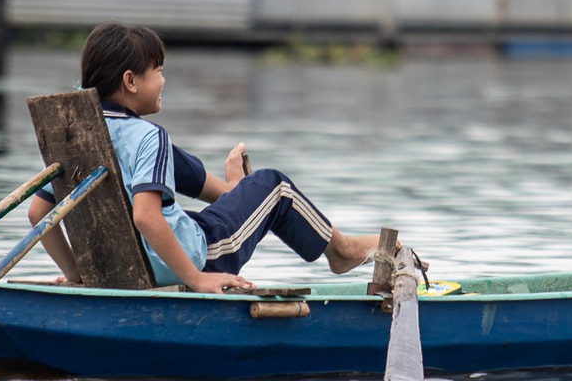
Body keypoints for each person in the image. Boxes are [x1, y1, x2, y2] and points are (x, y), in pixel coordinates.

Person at [29, 22, 382, 292]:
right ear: (131, 82)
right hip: (204, 256)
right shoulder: (151, 138)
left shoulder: (78, 137)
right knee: (275, 185)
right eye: (158, 71)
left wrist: (80, 275)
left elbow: (38, 212)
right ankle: (342, 250)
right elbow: (147, 218)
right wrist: (197, 279)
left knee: (225, 197)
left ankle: (337, 245)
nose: (164, 80)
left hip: (122, 266)